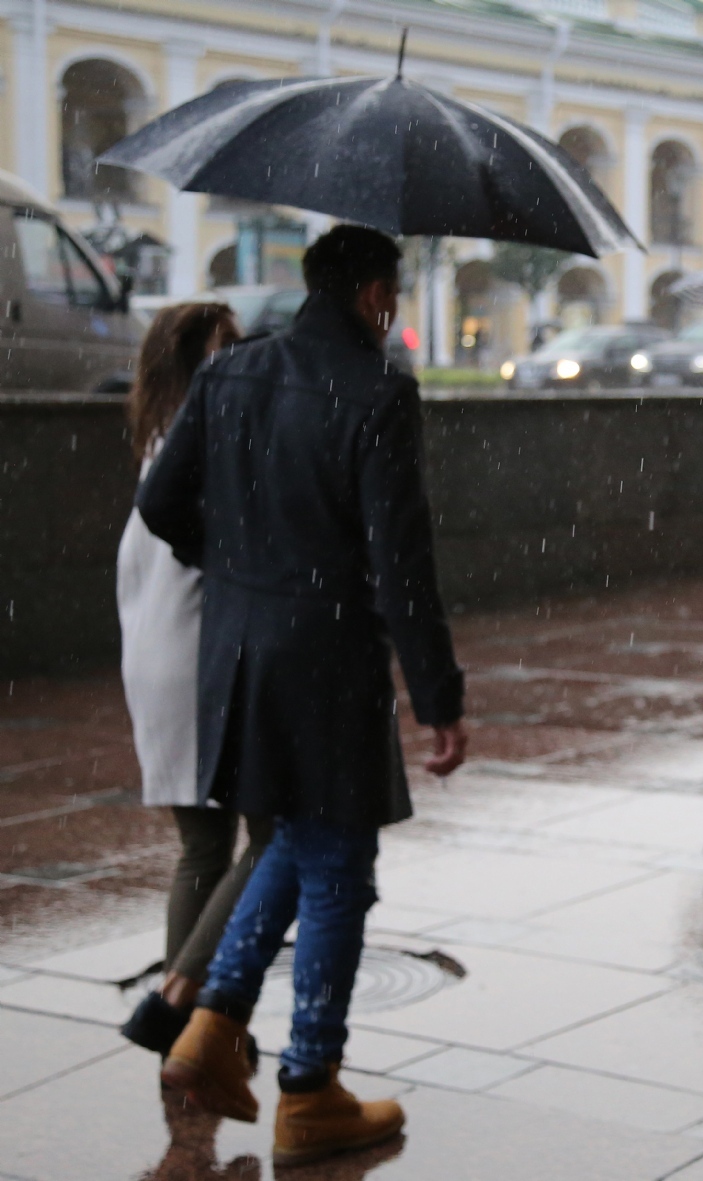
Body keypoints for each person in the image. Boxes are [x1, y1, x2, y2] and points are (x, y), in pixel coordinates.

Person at [137, 224, 468, 1167]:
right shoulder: (378, 391)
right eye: (393, 292)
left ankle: (209, 1031)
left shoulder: (230, 372)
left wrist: (242, 570)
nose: (393, 308)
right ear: (372, 294)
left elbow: (162, 503)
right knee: (338, 874)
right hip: (327, 663)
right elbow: (401, 565)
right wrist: (438, 693)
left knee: (289, 838)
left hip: (238, 656)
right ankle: (311, 1086)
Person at [116, 302, 278, 1063]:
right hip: (199, 664)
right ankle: (181, 999)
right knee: (274, 838)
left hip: (154, 660)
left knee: (202, 849)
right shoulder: (212, 441)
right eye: (224, 351)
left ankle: (187, 1034)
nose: (239, 360)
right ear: (191, 364)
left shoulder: (159, 441)